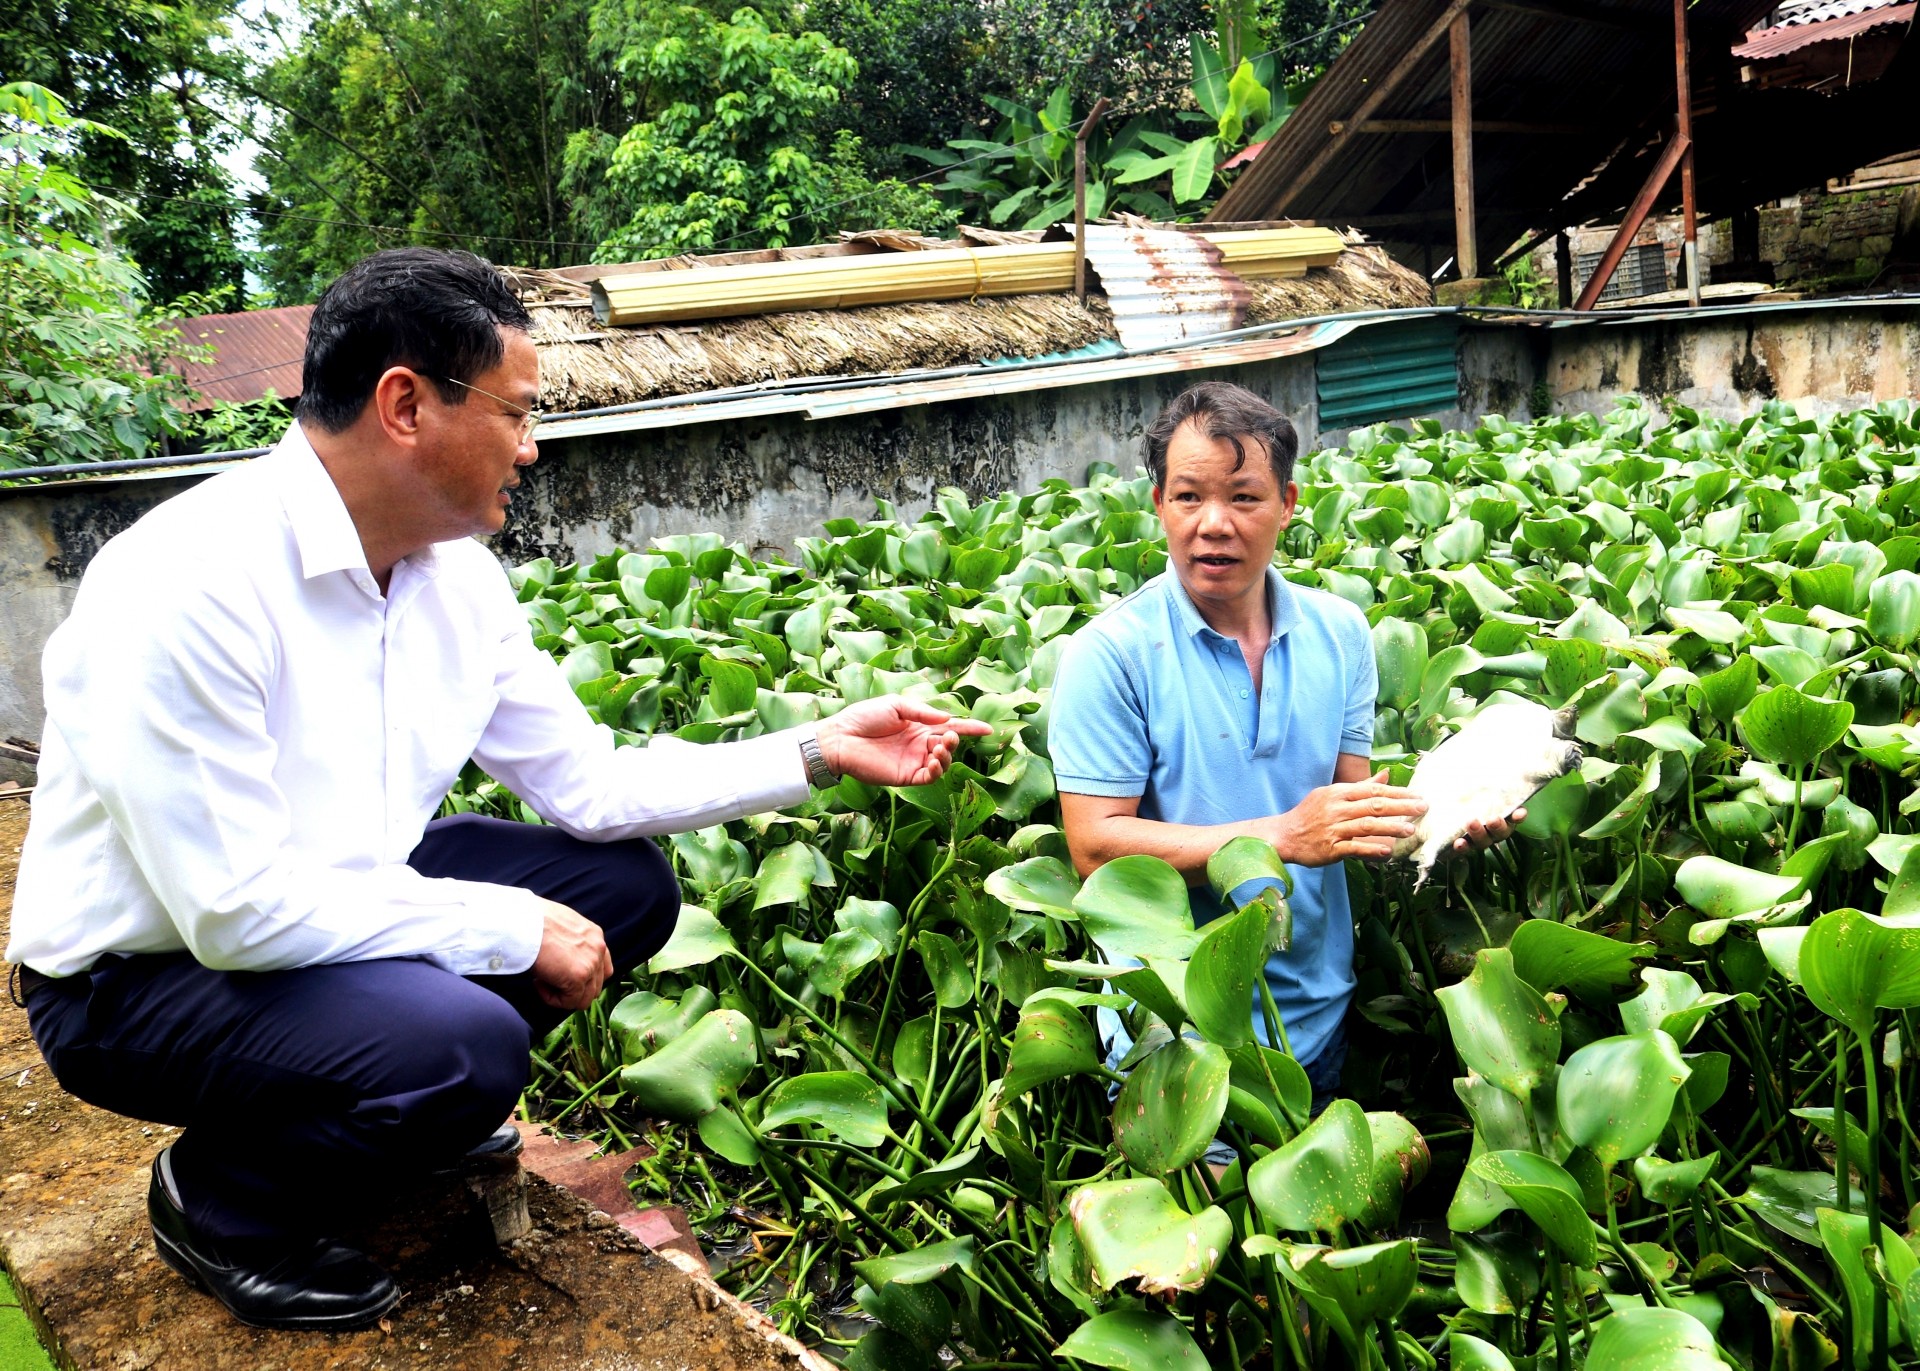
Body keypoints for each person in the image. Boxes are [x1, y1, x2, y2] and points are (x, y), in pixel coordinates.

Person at [3, 248, 989, 1332]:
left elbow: (592, 786)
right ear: (405, 404)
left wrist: (816, 749)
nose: (533, 445)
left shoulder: (455, 577)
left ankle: (407, 1103)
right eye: (518, 413)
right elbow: (235, 909)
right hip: (140, 978)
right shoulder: (186, 582)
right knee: (465, 1042)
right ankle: (225, 1196)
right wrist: (506, 924)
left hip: (332, 898)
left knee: (623, 888)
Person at [1047, 381, 1515, 1110]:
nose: (1214, 524)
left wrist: (1452, 817)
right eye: (1188, 497)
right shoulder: (1107, 655)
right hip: (1179, 1034)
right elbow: (1095, 847)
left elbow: (1349, 811)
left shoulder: (1341, 632)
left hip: (1320, 1010)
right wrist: (1283, 835)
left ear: (1289, 504)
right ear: (1158, 506)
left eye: (1243, 497)